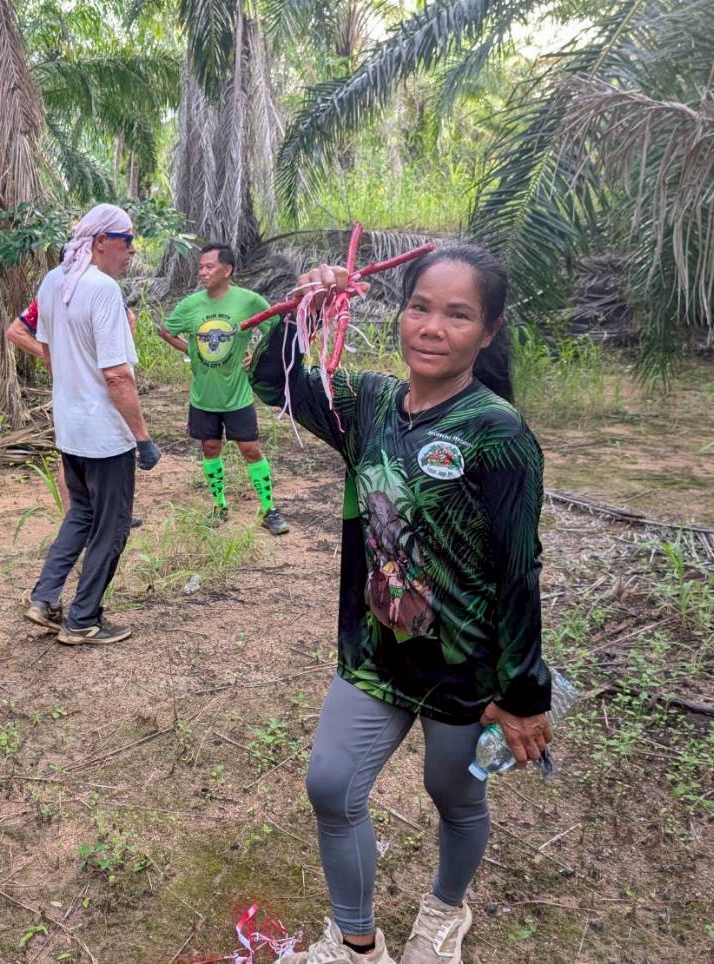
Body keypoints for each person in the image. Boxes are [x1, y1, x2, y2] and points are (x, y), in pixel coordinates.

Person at [249, 245, 552, 964]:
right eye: (420, 307)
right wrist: (304, 307)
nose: (432, 327)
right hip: (376, 651)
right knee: (331, 787)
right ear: (401, 312)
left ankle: (445, 912)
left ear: (489, 330)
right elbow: (271, 379)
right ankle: (357, 944)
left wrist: (522, 692)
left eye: (458, 315)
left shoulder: (499, 433)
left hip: (464, 669)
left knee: (452, 794)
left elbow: (519, 571)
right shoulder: (369, 403)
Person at [23, 204, 162, 646]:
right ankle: (83, 619)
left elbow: (47, 351)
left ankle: (45, 599)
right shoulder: (102, 289)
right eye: (127, 240)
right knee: (111, 527)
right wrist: (142, 438)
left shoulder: (53, 281)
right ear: (101, 241)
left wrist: (74, 388)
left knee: (81, 513)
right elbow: (117, 375)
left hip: (70, 429)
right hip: (105, 437)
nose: (132, 250)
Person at [159, 243, 289, 535]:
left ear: (227, 270)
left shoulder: (249, 301)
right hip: (204, 395)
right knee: (210, 447)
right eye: (201, 267)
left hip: (237, 394)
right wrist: (190, 350)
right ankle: (219, 504)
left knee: (250, 449)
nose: (202, 272)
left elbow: (275, 331)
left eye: (209, 267)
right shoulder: (191, 305)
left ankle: (268, 509)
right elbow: (166, 329)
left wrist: (258, 357)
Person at [6, 299, 144, 528]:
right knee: (75, 451)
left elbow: (129, 318)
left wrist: (109, 356)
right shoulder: (54, 295)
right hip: (82, 385)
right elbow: (15, 332)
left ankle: (107, 515)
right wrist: (55, 357)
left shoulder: (91, 290)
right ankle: (79, 519)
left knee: (101, 445)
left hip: (98, 382)